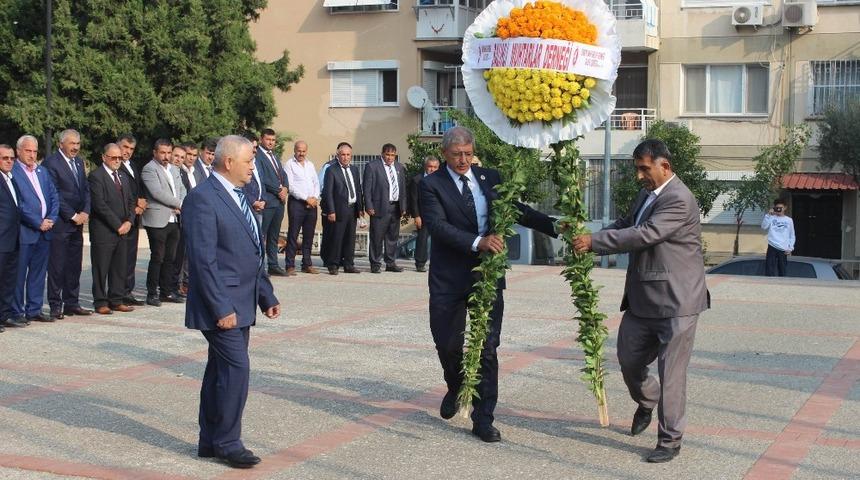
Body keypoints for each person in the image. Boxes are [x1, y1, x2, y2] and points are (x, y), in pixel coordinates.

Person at [572, 139, 710, 463]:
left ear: (665, 166)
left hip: (678, 302)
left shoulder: (679, 199)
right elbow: (627, 224)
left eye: (644, 169)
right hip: (643, 299)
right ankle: (648, 399)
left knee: (671, 372)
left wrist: (595, 243)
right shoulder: (648, 194)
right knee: (629, 360)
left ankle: (669, 441)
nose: (639, 176)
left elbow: (645, 233)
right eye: (637, 169)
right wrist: (592, 234)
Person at [419, 127, 558, 443]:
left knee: (486, 347)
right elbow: (438, 227)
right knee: (448, 344)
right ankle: (456, 385)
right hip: (449, 278)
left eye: (468, 153)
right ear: (445, 154)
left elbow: (517, 210)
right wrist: (478, 241)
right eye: (457, 155)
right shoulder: (431, 185)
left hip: (487, 276)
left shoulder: (489, 177)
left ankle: (484, 419)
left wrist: (555, 226)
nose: (463, 160)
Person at [183, 134, 279, 469]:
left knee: (220, 369)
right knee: (237, 368)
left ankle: (209, 440)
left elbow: (252, 251)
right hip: (221, 305)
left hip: (243, 300)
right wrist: (221, 308)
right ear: (228, 162)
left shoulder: (241, 195)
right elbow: (203, 260)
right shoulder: (203, 199)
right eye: (249, 161)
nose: (254, 167)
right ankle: (228, 441)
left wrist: (265, 294)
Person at [43, 129, 92, 319]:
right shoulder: (51, 163)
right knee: (57, 266)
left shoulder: (79, 162)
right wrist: (72, 215)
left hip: (78, 223)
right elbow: (54, 193)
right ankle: (56, 304)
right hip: (62, 224)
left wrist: (86, 211)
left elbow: (85, 190)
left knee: (74, 265)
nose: (75, 147)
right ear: (61, 144)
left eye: (78, 144)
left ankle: (72, 302)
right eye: (72, 143)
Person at [12, 135, 59, 324]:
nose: (32, 155)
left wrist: (51, 218)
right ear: (18, 151)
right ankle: (16, 311)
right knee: (19, 274)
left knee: (38, 274)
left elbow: (54, 196)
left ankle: (34, 309)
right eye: (27, 151)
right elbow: (19, 203)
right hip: (25, 232)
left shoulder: (43, 171)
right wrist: (37, 222)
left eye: (34, 151)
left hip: (45, 231)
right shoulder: (12, 171)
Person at [88, 144, 136, 315]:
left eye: (119, 158)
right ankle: (100, 301)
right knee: (101, 268)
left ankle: (116, 299)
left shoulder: (123, 176)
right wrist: (118, 225)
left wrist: (129, 221)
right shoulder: (96, 176)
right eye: (113, 157)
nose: (117, 161)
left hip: (124, 230)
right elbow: (100, 205)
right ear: (104, 157)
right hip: (104, 231)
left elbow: (131, 201)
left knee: (119, 267)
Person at [141, 139, 186, 306]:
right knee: (157, 257)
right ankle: (152, 293)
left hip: (174, 218)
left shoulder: (174, 169)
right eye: (162, 152)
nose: (166, 156)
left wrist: (181, 203)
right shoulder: (149, 169)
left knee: (170, 257)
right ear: (155, 152)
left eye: (168, 152)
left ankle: (166, 291)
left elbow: (182, 188)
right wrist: (179, 203)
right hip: (157, 219)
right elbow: (157, 192)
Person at [321, 142, 364, 275]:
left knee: (350, 238)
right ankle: (333, 264)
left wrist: (360, 209)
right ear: (338, 155)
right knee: (336, 238)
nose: (345, 157)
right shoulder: (331, 170)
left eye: (348, 155)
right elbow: (328, 192)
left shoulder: (355, 170)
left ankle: (349, 264)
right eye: (343, 155)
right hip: (338, 209)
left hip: (352, 209)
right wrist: (331, 211)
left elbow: (358, 190)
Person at [364, 143, 407, 273]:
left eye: (392, 155)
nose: (390, 158)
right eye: (387, 154)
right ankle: (375, 263)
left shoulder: (399, 167)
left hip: (395, 207)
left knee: (392, 237)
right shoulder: (372, 166)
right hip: (379, 207)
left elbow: (403, 189)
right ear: (382, 154)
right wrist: (369, 205)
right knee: (377, 237)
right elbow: (366, 188)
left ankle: (390, 262)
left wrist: (403, 206)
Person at [256, 128, 289, 276]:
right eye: (268, 139)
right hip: (268, 201)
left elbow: (283, 174)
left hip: (279, 203)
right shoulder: (258, 157)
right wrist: (278, 190)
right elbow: (262, 179)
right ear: (261, 139)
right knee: (262, 235)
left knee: (274, 235)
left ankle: (273, 264)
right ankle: (260, 266)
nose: (271, 142)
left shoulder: (274, 156)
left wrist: (286, 188)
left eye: (273, 140)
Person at [284, 140, 320, 275]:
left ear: (307, 151)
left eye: (304, 151)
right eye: (299, 150)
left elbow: (316, 183)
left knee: (309, 235)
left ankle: (307, 264)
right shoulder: (289, 164)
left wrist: (314, 198)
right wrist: (306, 198)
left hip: (312, 204)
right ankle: (290, 265)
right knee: (293, 234)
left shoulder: (310, 165)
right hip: (297, 203)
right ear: (294, 150)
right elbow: (291, 186)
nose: (301, 153)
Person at [118, 134, 146, 306]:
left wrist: (142, 203)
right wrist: (133, 208)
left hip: (135, 218)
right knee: (120, 259)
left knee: (131, 256)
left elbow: (138, 189)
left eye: (131, 149)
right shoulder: (114, 166)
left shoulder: (133, 165)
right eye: (125, 147)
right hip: (122, 218)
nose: (127, 152)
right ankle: (117, 293)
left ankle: (128, 291)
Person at [0, 144, 23, 332]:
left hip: (14, 239)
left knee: (9, 280)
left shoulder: (11, 179)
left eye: (11, 158)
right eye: (4, 158)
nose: (9, 161)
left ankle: (5, 315)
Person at [407, 156, 440, 272]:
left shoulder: (441, 179)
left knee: (440, 240)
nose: (432, 169)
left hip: (438, 215)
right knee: (422, 239)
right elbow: (414, 200)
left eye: (435, 167)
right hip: (423, 215)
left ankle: (438, 263)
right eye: (430, 166)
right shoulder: (417, 180)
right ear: (425, 167)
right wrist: (416, 216)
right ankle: (420, 263)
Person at [761, 199, 795, 277]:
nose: (779, 209)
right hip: (772, 245)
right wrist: (768, 215)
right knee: (769, 269)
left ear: (785, 208)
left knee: (782, 270)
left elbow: (792, 235)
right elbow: (763, 227)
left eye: (781, 208)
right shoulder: (771, 217)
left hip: (783, 248)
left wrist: (790, 248)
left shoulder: (789, 220)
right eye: (777, 208)